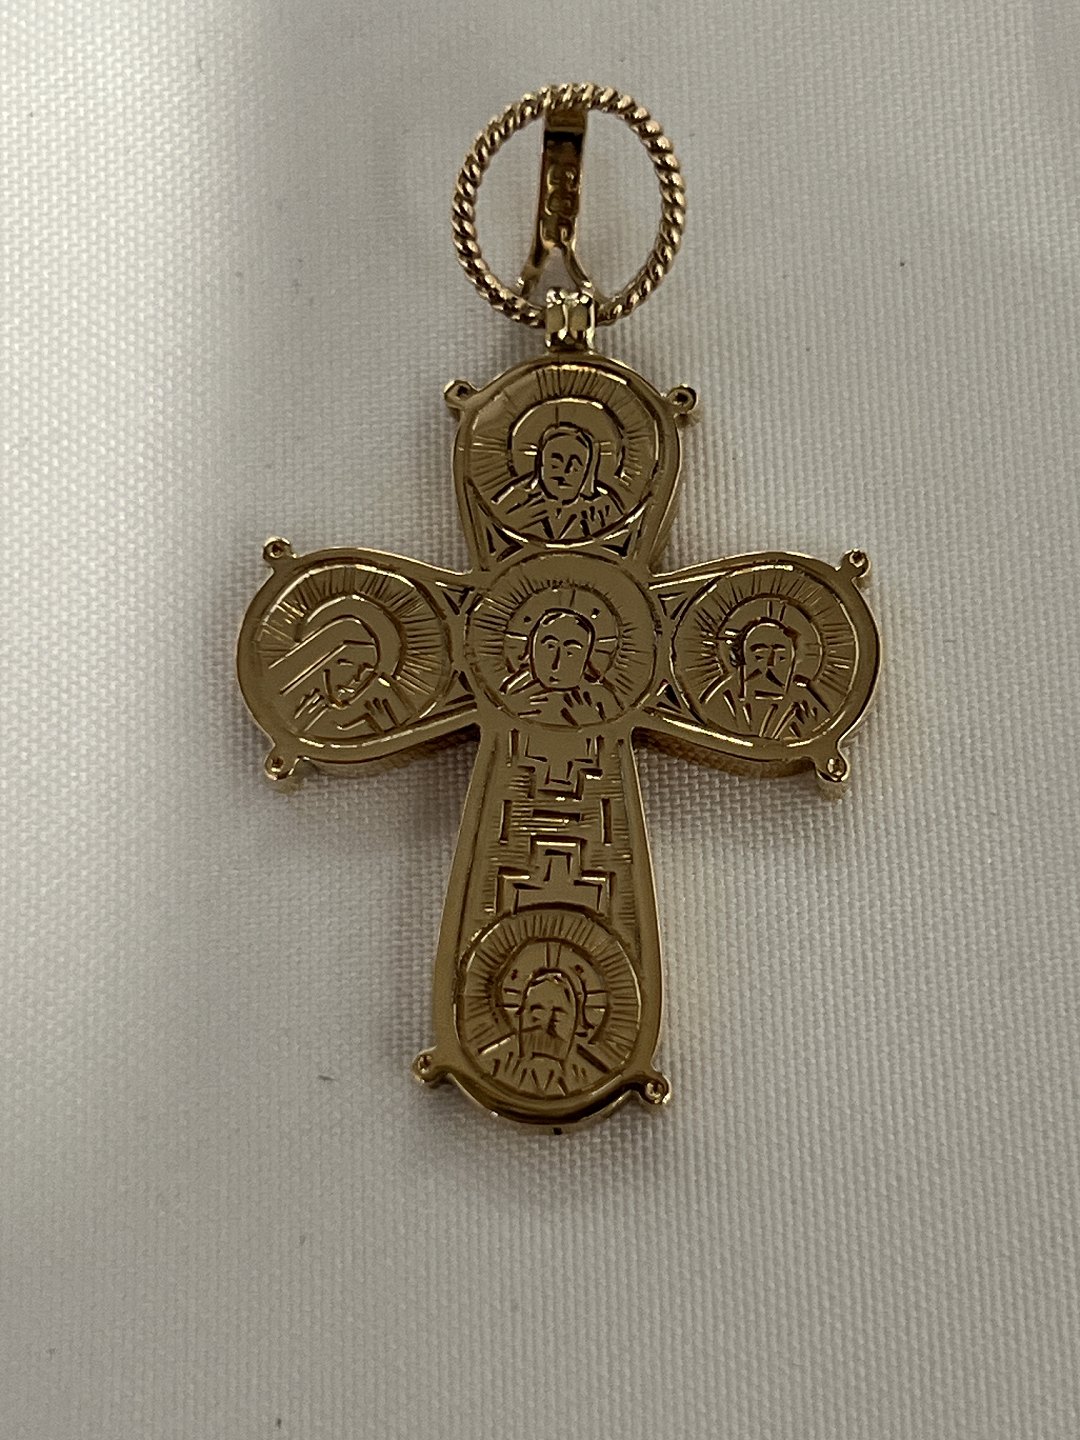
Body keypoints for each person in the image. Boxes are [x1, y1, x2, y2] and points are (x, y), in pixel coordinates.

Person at [477, 951, 608, 1097]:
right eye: (537, 1011)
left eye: (559, 1012)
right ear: (520, 1013)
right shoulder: (493, 1062)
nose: (548, 1023)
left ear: (576, 1022)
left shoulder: (588, 1074)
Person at [701, 617, 828, 739]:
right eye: (760, 655)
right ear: (740, 658)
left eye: (782, 657)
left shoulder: (805, 702)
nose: (771, 664)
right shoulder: (725, 697)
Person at [497, 421, 623, 541]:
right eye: (556, 464)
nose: (565, 472)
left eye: (575, 466)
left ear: (587, 471)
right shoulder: (515, 500)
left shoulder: (604, 507)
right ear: (541, 464)